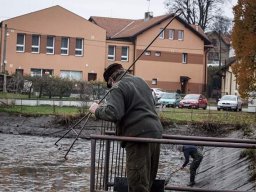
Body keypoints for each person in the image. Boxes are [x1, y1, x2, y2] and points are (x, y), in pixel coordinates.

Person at [89, 63, 163, 192]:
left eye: (109, 84)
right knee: (148, 180)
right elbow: (150, 102)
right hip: (155, 133)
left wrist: (96, 110)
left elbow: (114, 113)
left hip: (138, 137)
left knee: (137, 182)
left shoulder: (117, 87)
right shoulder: (140, 81)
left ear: (111, 80)